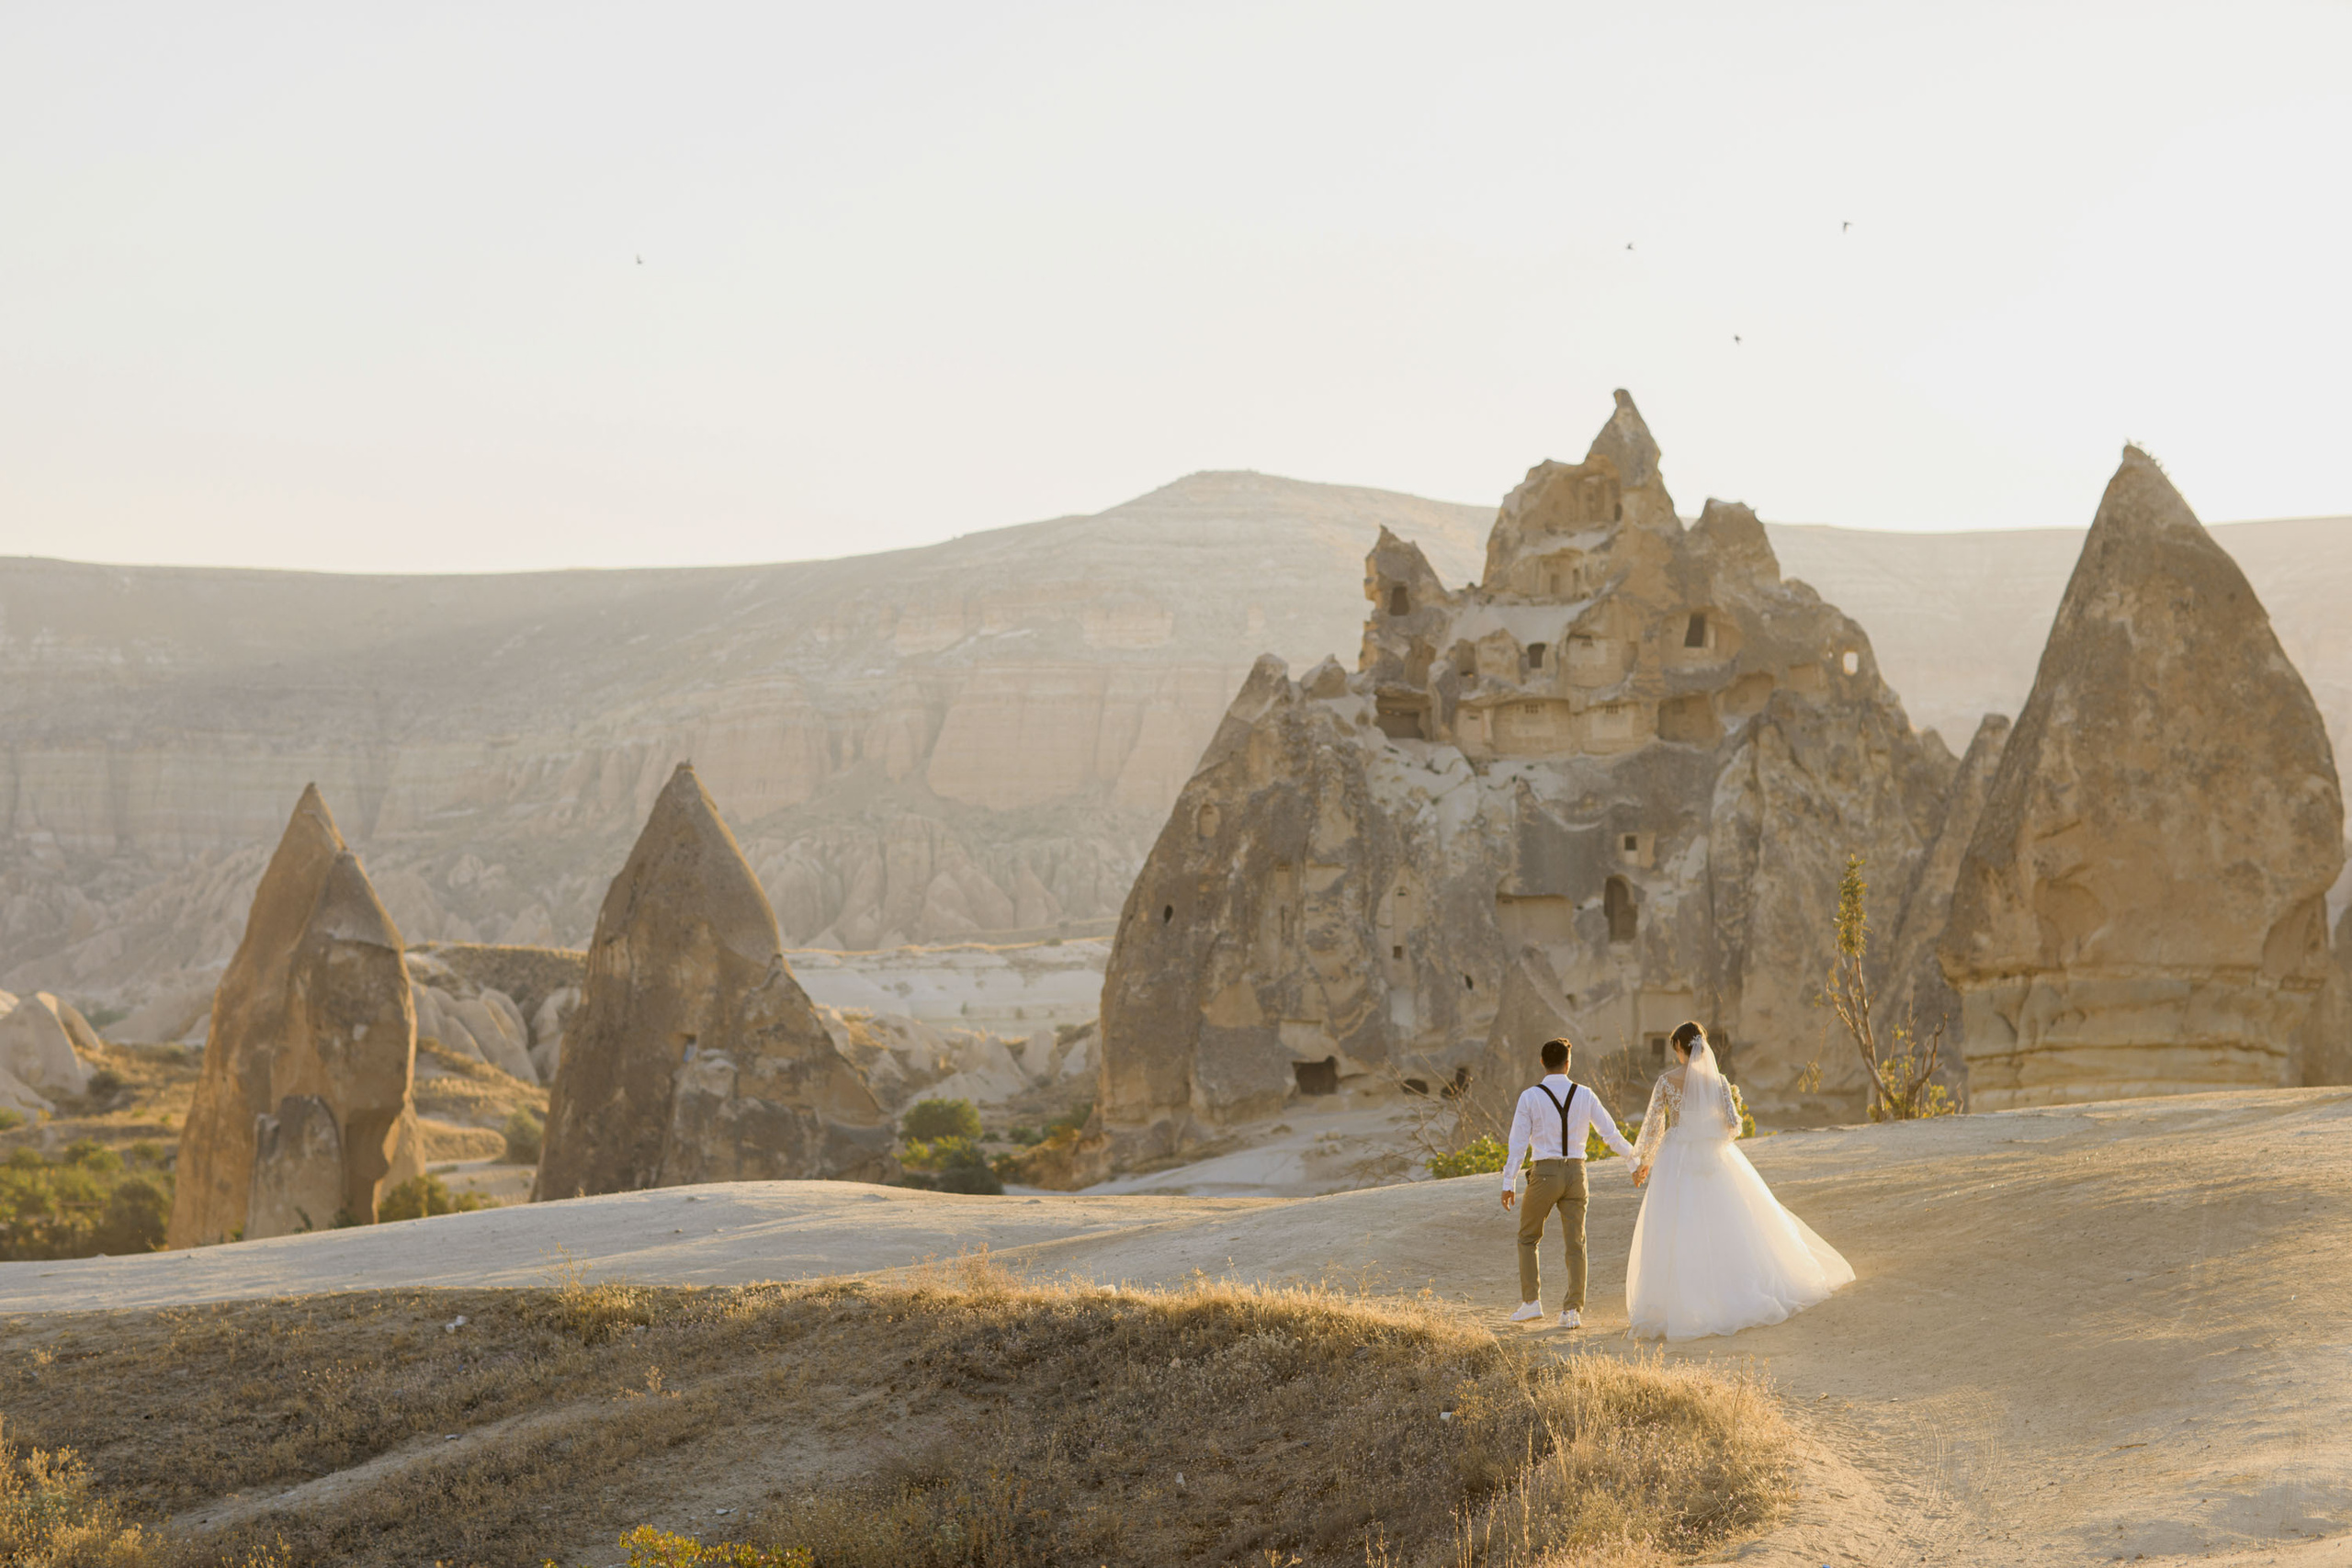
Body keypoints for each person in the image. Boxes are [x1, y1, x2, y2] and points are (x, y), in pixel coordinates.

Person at [1626, 1021, 1853, 1341]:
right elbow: (1733, 1126)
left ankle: (1678, 1303)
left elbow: (1653, 1126)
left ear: (1679, 1047)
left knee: (1676, 1225)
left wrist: (1643, 1163)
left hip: (1676, 1158)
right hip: (1713, 1157)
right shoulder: (1718, 1081)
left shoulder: (1666, 1082)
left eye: (1675, 1047)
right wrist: (1708, 1133)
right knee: (1727, 1223)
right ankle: (1730, 1291)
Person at [1499, 1035, 1636, 1329]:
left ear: (1542, 1063)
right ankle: (1572, 1311)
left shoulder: (1530, 1097)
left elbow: (1518, 1144)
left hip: (1544, 1174)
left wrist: (1508, 1181)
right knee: (1576, 1243)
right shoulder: (1585, 1094)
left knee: (1528, 1237)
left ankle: (1531, 1303)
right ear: (1568, 1063)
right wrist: (1633, 1161)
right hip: (1577, 1173)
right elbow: (1610, 1133)